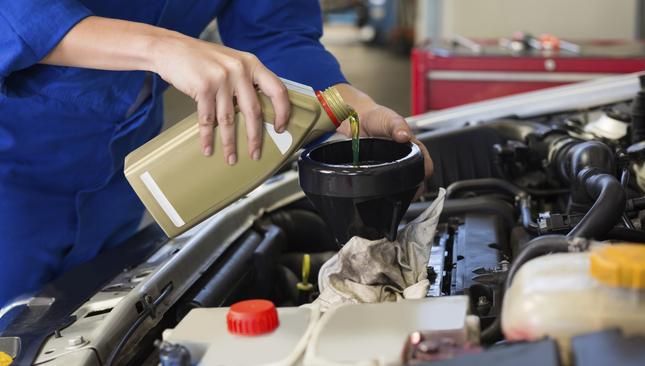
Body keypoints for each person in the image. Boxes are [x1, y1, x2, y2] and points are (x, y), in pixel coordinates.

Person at [0, 1, 433, 306]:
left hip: (123, 176)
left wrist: (350, 105)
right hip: (12, 170)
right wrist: (160, 47)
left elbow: (275, 32)